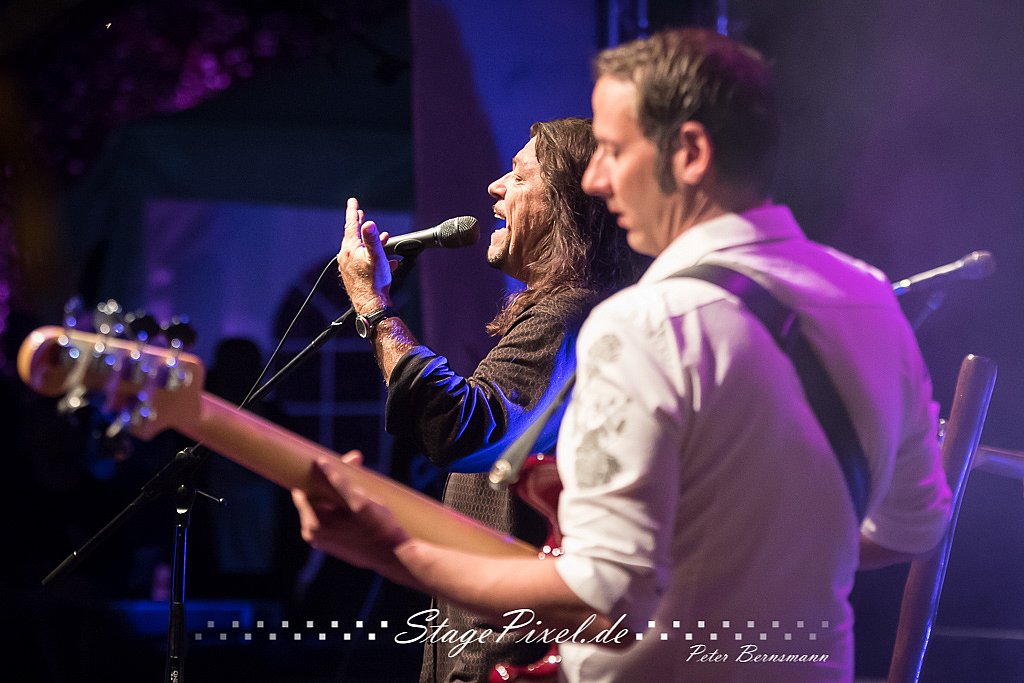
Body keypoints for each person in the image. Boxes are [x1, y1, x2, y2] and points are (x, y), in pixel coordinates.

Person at [294, 28, 951, 683]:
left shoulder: (645, 324)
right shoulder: (868, 298)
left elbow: (603, 600)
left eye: (612, 150)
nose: (597, 180)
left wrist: (393, 549)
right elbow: (911, 530)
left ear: (689, 153)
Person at [335, 117, 643, 682]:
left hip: (500, 657)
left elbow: (460, 426)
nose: (495, 187)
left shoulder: (565, 315)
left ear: (569, 206)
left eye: (520, 176)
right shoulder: (568, 314)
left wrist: (373, 307)